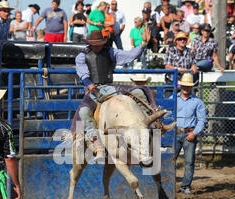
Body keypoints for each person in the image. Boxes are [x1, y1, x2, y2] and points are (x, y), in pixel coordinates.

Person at [73, 29, 175, 162]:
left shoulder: (110, 51)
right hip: (93, 89)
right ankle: (97, 143)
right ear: (90, 43)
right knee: (84, 111)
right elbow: (84, 74)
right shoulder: (82, 56)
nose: (98, 46)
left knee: (138, 92)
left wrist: (143, 44)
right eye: (95, 43)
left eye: (99, 43)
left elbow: (130, 55)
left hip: (110, 86)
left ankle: (153, 124)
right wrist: (90, 86)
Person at [175, 73, 206, 196]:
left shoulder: (197, 102)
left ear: (191, 87)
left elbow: (202, 120)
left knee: (189, 162)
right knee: (171, 161)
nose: (185, 88)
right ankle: (171, 184)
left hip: (189, 133)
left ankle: (185, 186)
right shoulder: (174, 99)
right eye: (184, 86)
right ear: (181, 86)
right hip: (176, 132)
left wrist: (194, 132)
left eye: (187, 86)